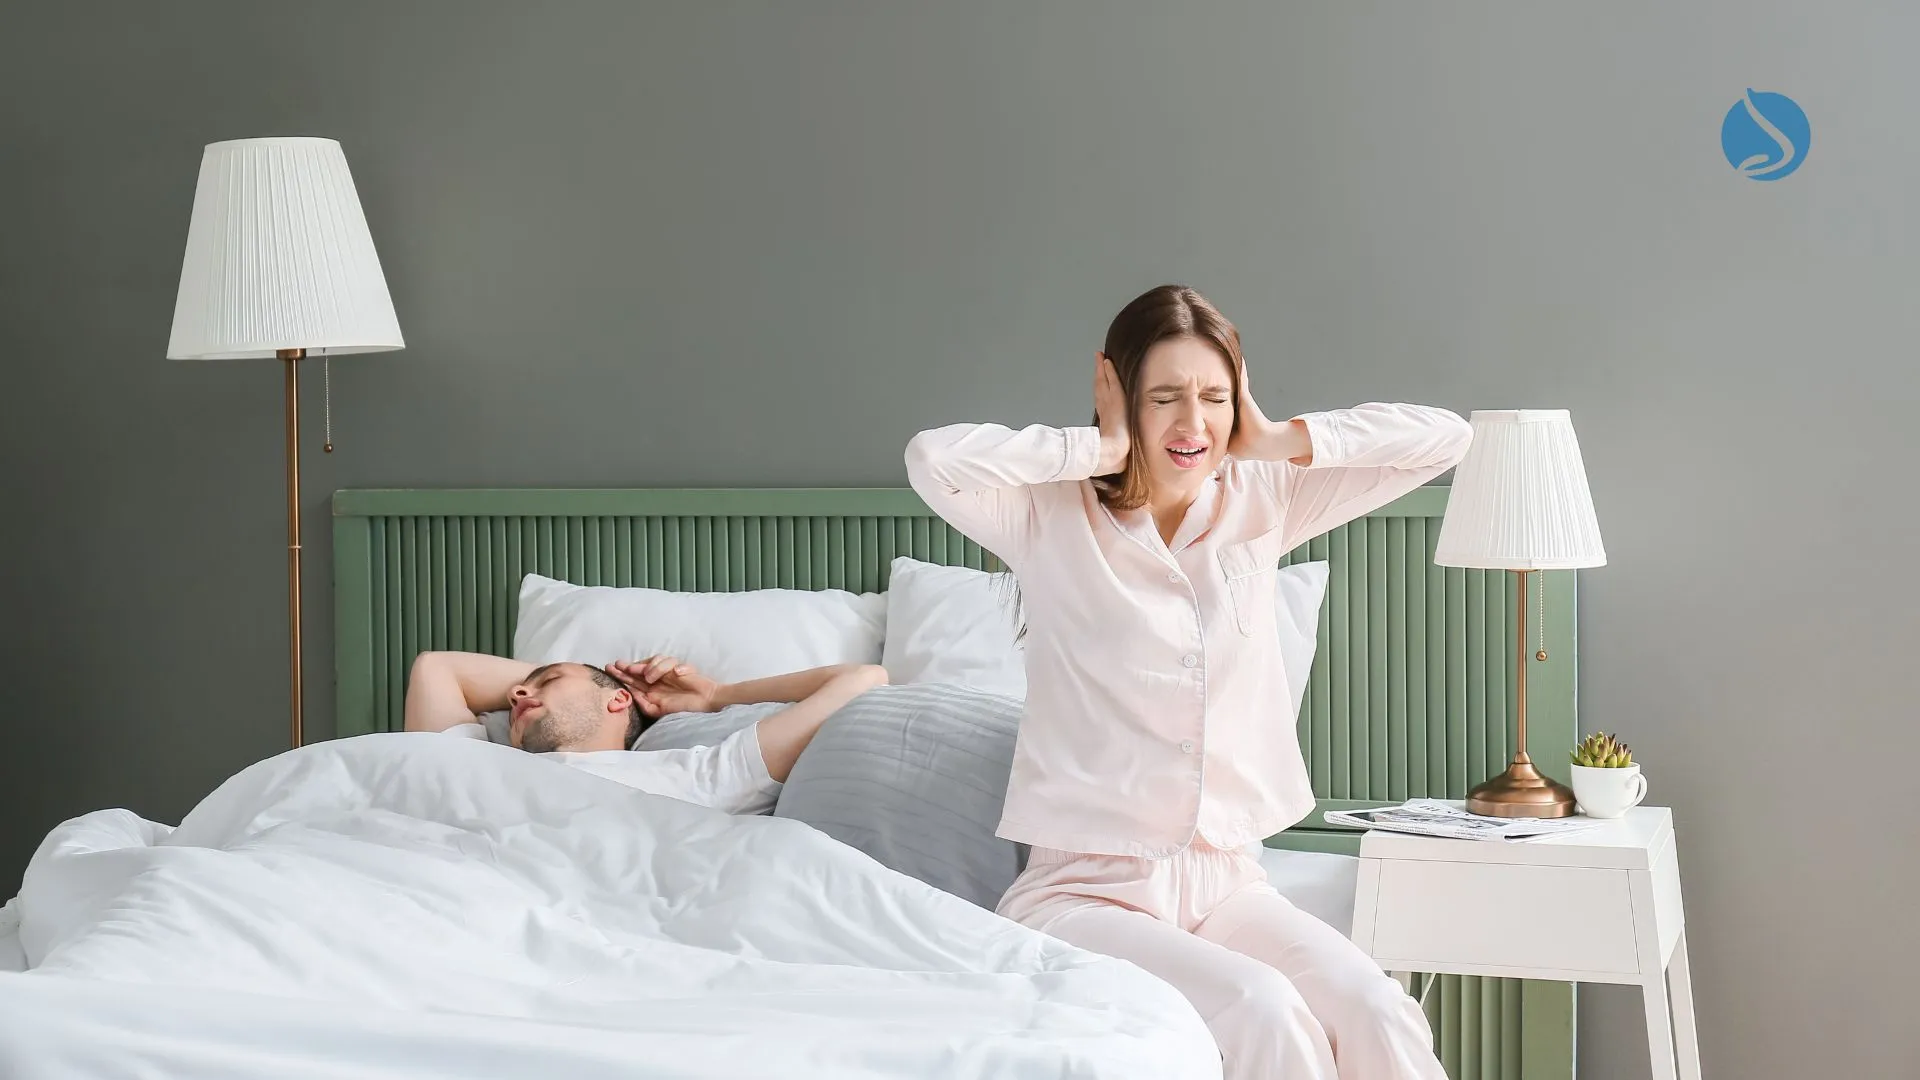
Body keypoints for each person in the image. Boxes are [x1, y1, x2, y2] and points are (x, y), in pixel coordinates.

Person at [904, 284, 1471, 1080]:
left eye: (1213, 396)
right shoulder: (1043, 514)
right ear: (1120, 396)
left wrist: (1274, 437)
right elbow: (933, 458)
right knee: (1265, 1007)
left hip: (1230, 884)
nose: (1191, 422)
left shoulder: (1265, 494)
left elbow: (1443, 441)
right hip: (1084, 894)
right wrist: (1097, 450)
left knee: (1377, 1007)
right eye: (1163, 396)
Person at [403, 650, 887, 815]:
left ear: (618, 702)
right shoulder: (471, 763)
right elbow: (437, 668)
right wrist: (593, 678)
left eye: (546, 682)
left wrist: (717, 695)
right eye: (516, 695)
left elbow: (864, 678)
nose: (515, 696)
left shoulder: (695, 774)